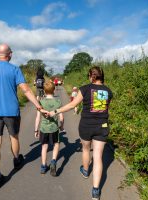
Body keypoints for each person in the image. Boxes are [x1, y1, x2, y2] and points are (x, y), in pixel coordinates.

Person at [0, 44, 46, 190]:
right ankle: (17, 160)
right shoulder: (14, 69)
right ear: (9, 54)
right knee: (14, 137)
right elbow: (26, 90)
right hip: (11, 111)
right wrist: (38, 106)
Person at [49, 66, 113, 200]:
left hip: (86, 126)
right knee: (98, 157)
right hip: (102, 126)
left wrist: (56, 111)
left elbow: (72, 105)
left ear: (91, 76)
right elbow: (103, 107)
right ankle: (96, 191)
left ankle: (85, 170)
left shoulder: (85, 89)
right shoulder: (108, 91)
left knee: (85, 149)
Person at [34, 81, 64, 176]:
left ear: (44, 91)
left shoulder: (41, 102)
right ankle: (54, 162)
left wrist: (36, 130)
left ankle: (43, 166)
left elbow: (38, 117)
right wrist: (62, 126)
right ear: (54, 90)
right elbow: (61, 117)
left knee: (44, 146)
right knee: (56, 144)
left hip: (43, 128)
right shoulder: (58, 102)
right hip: (54, 128)